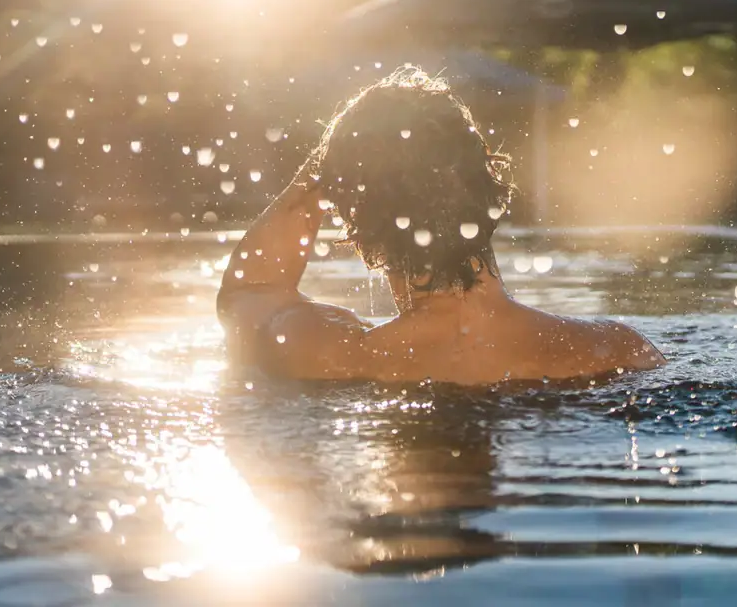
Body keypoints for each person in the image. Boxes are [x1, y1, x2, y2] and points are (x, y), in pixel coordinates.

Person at [217, 67, 663, 384]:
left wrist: (334, 170)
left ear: (355, 214)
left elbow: (249, 290)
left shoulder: (332, 356)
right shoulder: (615, 350)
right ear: (489, 192)